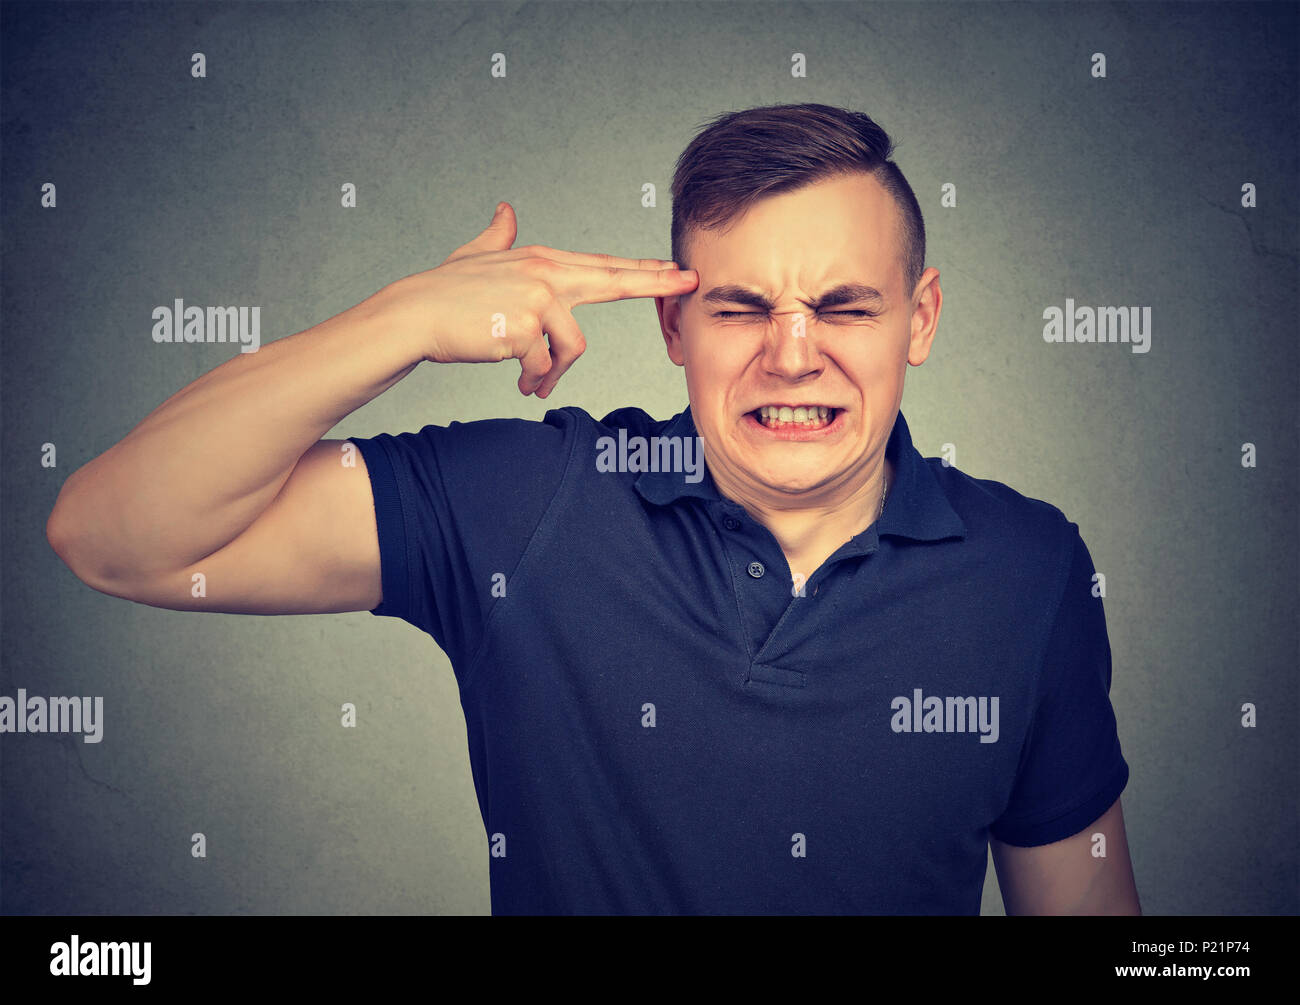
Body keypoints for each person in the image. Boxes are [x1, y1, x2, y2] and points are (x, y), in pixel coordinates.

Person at [46, 103, 1140, 915]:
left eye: (843, 306)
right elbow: (110, 537)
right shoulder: (532, 504)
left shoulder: (1028, 569)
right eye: (740, 306)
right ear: (674, 329)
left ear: (920, 316)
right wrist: (397, 320)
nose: (791, 355)